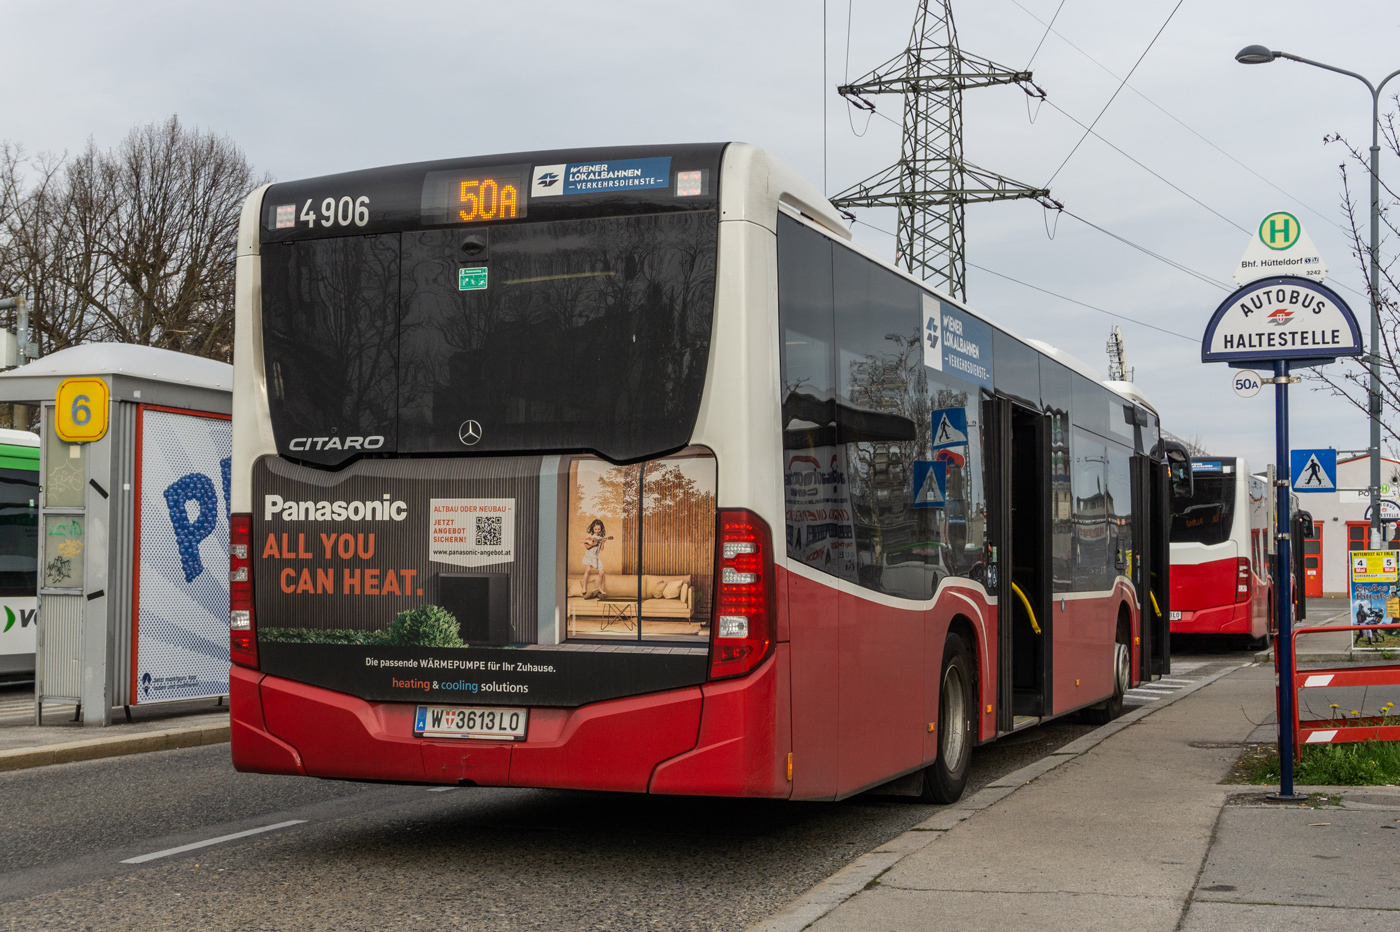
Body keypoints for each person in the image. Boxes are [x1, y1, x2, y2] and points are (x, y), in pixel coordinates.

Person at [580, 519, 613, 598]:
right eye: (595, 529)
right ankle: (584, 588)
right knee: (588, 570)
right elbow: (581, 540)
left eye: (599, 529)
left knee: (601, 573)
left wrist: (603, 543)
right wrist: (589, 542)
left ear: (601, 529)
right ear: (592, 528)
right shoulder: (590, 535)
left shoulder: (601, 537)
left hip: (596, 557)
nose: (597, 531)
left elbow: (601, 549)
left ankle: (600, 588)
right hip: (589, 555)